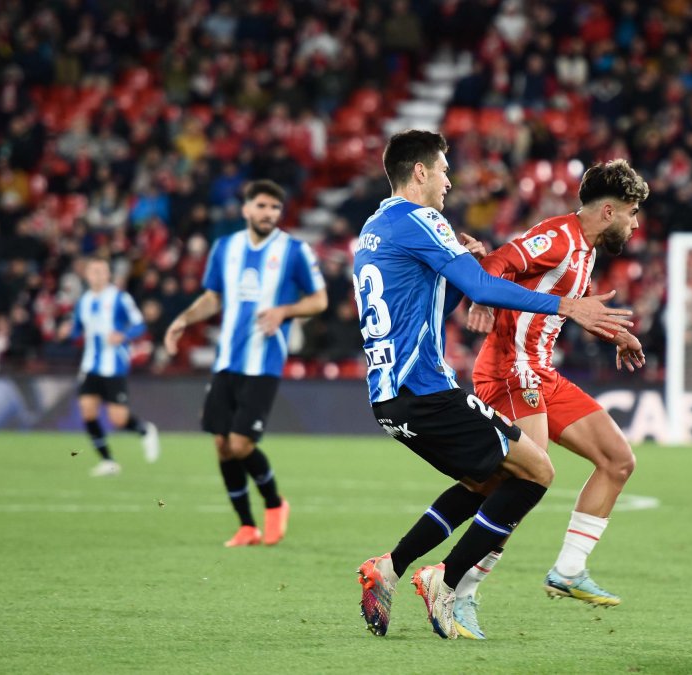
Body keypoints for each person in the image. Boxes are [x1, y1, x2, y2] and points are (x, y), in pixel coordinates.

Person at [354, 130, 632, 641]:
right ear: (419, 172)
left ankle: (388, 569)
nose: (448, 179)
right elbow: (483, 283)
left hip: (389, 397)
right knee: (535, 472)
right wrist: (569, 306)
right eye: (442, 169)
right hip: (427, 390)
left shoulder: (375, 228)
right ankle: (448, 579)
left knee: (488, 481)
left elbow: (437, 303)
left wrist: (454, 273)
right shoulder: (422, 218)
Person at [451, 159, 648, 640]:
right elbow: (498, 262)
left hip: (539, 371)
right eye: (631, 212)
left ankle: (568, 569)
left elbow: (557, 309)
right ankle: (461, 591)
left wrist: (612, 334)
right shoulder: (558, 236)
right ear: (607, 211)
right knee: (525, 479)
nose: (635, 223)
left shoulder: (587, 250)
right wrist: (480, 299)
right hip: (509, 369)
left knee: (618, 461)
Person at [164, 179, 328, 547]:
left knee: (240, 444)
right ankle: (246, 526)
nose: (269, 213)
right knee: (221, 443)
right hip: (227, 361)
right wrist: (183, 320)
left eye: (275, 208)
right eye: (262, 206)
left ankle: (275, 504)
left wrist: (285, 310)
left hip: (265, 362)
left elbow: (319, 300)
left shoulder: (293, 250)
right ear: (246, 209)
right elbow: (213, 298)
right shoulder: (226, 248)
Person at [61, 257, 160, 477]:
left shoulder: (120, 298)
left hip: (114, 366)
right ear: (87, 275)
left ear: (108, 275)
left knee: (118, 419)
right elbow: (77, 330)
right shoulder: (83, 301)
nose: (97, 275)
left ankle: (144, 430)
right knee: (87, 410)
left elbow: (140, 324)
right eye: (93, 271)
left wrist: (123, 336)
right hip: (90, 365)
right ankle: (108, 461)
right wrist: (68, 331)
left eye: (101, 271)